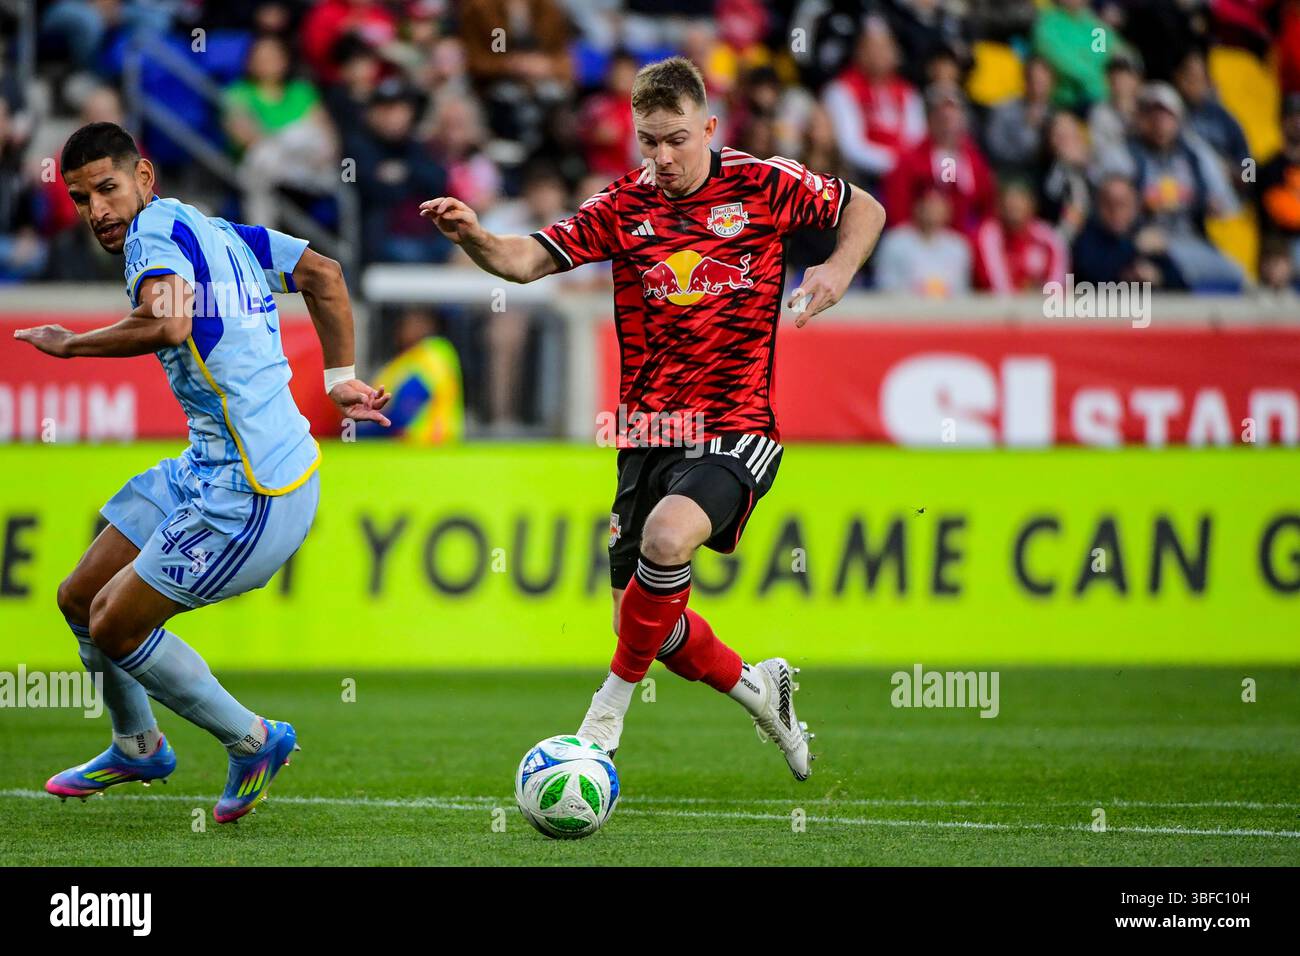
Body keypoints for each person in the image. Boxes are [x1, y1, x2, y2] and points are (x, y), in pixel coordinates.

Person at [420, 56, 886, 780]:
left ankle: (604, 717)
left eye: (675, 140)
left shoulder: (766, 184)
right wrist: (473, 235)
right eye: (648, 142)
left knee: (669, 539)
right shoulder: (622, 206)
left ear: (708, 127)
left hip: (737, 424)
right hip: (647, 435)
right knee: (644, 622)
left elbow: (867, 208)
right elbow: (523, 262)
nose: (661, 158)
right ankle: (763, 691)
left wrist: (838, 268)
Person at [13, 122, 390, 823]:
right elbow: (323, 274)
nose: (97, 209)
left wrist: (71, 346)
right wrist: (341, 377)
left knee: (115, 627)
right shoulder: (214, 231)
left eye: (108, 188)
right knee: (79, 597)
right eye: (80, 196)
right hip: (211, 465)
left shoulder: (152, 240)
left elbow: (169, 324)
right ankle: (136, 743)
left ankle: (254, 741)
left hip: (252, 493)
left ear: (144, 179)